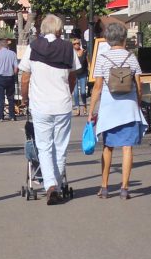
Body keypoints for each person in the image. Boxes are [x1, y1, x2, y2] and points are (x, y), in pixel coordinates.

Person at [20, 13, 78, 205]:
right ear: (59, 29)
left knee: (44, 147)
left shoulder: (33, 47)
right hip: (62, 104)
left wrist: (25, 98)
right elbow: (73, 76)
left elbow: (25, 77)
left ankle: (50, 185)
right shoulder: (68, 47)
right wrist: (68, 92)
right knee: (60, 147)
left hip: (40, 105)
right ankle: (59, 185)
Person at [89, 19, 143, 199]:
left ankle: (104, 187)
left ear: (107, 39)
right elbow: (139, 84)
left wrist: (91, 110)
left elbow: (97, 87)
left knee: (108, 147)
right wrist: (139, 102)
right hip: (128, 107)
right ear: (123, 39)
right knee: (127, 147)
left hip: (109, 108)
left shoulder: (102, 59)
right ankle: (124, 188)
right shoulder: (132, 57)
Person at [0, 38, 19, 121]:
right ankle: (12, 116)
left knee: (0, 98)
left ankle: (1, 117)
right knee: (11, 97)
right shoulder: (12, 54)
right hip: (10, 77)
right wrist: (13, 75)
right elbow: (16, 68)